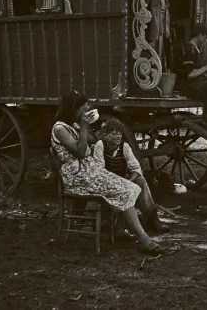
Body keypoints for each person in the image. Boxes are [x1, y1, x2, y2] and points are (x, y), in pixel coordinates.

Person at [50, 91, 166, 255]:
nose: (85, 111)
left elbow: (93, 140)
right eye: (83, 108)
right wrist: (83, 128)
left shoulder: (73, 125)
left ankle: (131, 230)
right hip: (78, 177)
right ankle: (144, 240)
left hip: (90, 172)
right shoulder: (60, 128)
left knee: (130, 186)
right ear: (73, 108)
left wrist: (87, 126)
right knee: (125, 188)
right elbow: (81, 153)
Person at [93, 118, 170, 234]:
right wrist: (118, 181)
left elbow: (136, 168)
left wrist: (129, 180)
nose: (118, 136)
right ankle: (120, 227)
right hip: (106, 183)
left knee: (141, 180)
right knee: (129, 184)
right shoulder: (100, 145)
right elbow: (100, 170)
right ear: (105, 135)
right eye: (114, 133)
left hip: (122, 181)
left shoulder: (125, 147)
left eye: (119, 133)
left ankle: (152, 219)